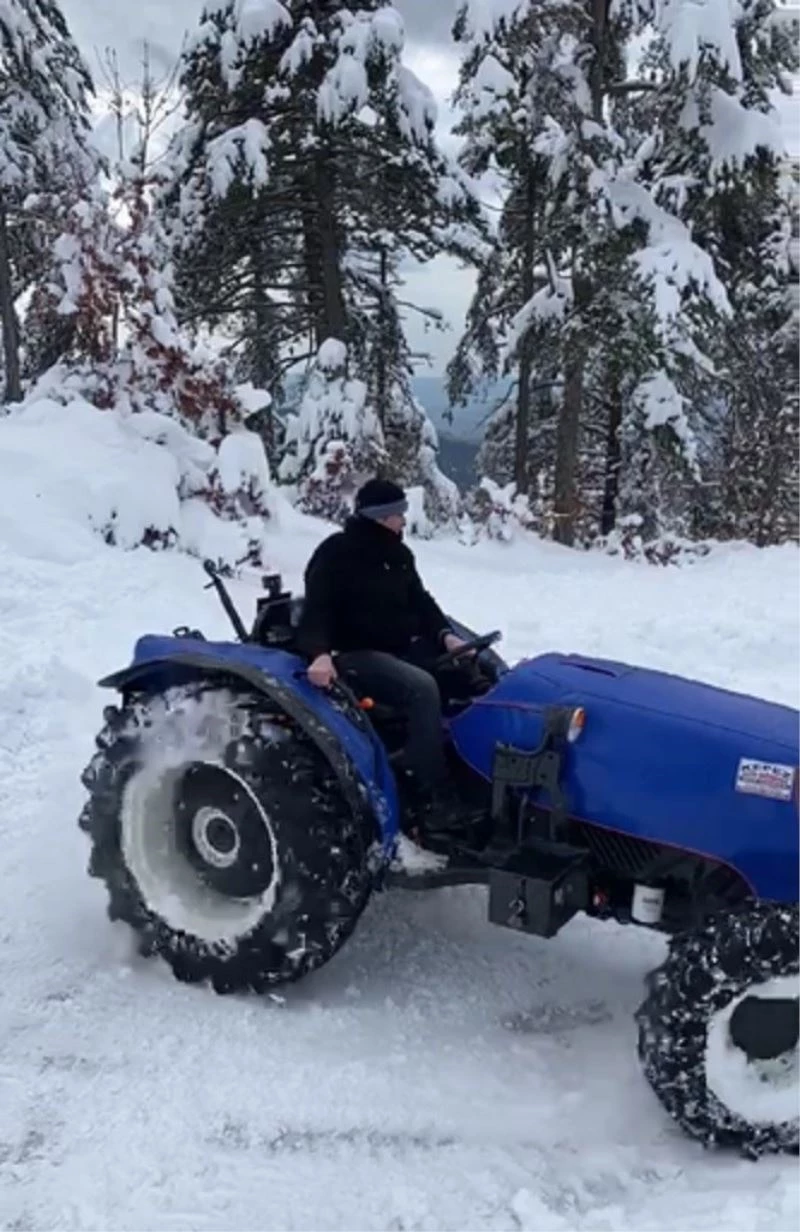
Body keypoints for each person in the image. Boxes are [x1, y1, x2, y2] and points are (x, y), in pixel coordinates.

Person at [295, 477, 472, 813]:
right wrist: (319, 654)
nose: (404, 519)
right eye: (399, 513)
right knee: (422, 688)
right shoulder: (337, 554)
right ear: (381, 516)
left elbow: (421, 601)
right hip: (353, 655)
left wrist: (445, 636)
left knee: (467, 671)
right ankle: (428, 787)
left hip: (399, 647)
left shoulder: (399, 553)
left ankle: (470, 766)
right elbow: (317, 609)